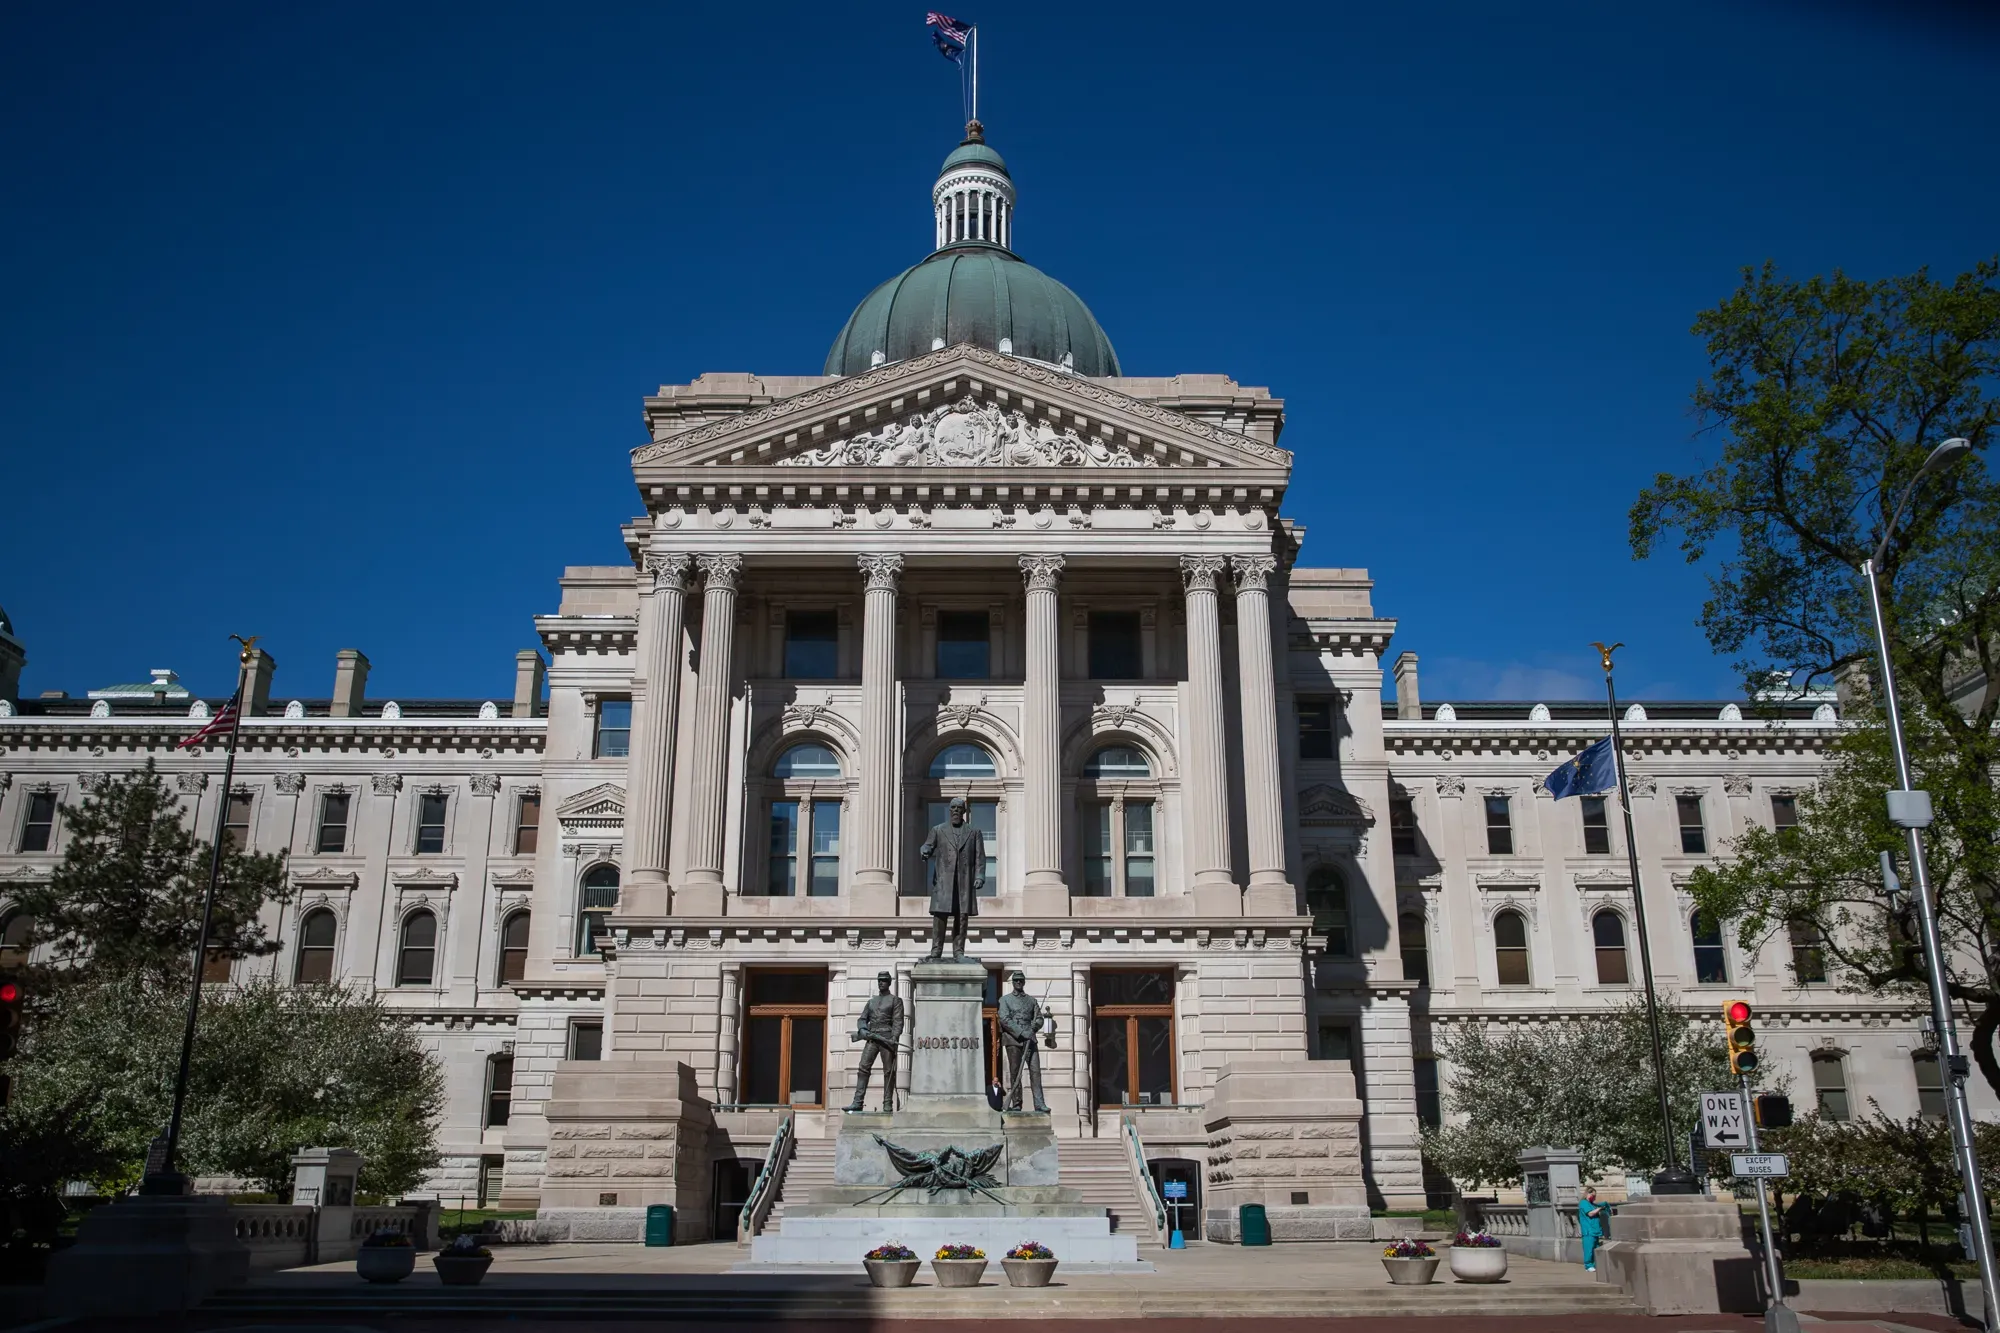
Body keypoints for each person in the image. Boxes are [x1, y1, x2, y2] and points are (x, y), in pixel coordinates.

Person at [919, 796, 985, 960]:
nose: (956, 810)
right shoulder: (938, 830)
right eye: (953, 808)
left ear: (964, 811)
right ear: (949, 811)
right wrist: (925, 850)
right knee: (940, 917)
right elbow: (928, 845)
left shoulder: (974, 832)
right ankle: (936, 951)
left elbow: (979, 856)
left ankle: (958, 952)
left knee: (961, 916)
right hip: (944, 881)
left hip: (964, 881)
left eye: (959, 808)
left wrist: (980, 876)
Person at [846, 971, 904, 1112]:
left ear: (889, 982)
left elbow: (898, 1021)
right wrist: (863, 1030)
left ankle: (887, 1103)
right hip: (872, 1038)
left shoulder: (895, 1000)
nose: (881, 982)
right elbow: (862, 1019)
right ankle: (857, 1102)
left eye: (884, 980)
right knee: (863, 1067)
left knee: (888, 1072)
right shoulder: (871, 1002)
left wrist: (894, 1037)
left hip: (887, 1038)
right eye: (879, 980)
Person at [997, 970, 1052, 1113]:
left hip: (1030, 1041)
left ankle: (1039, 1104)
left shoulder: (1032, 1001)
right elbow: (1004, 1019)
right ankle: (1016, 1104)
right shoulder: (1005, 1000)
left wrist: (1034, 1026)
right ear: (1013, 982)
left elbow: (1039, 1018)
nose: (1019, 982)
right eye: (1016, 980)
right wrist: (1022, 1032)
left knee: (1035, 1072)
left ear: (1024, 982)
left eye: (1021, 980)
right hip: (1013, 1040)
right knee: (1015, 1073)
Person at [1579, 1185, 1607, 1272]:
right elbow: (1590, 1213)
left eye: (1595, 1196)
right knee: (1589, 1249)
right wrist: (1599, 1209)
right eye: (1593, 1195)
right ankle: (1588, 1265)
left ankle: (1594, 1264)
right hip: (1588, 1231)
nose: (1594, 1197)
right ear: (1588, 1193)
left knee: (1595, 1248)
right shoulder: (1583, 1203)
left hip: (1595, 1230)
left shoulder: (1591, 1204)